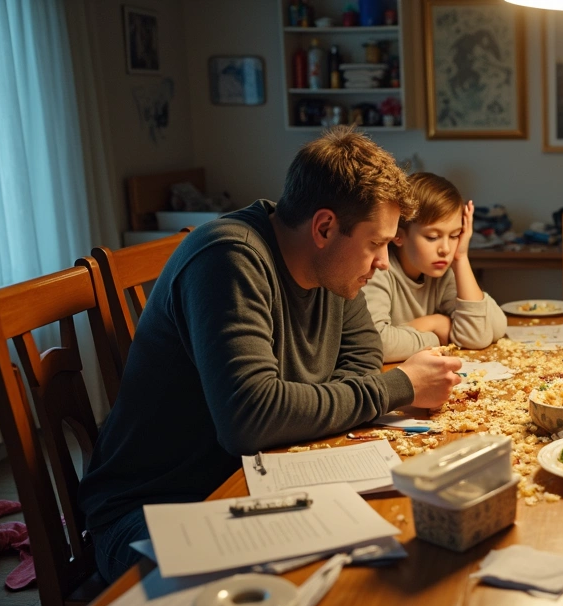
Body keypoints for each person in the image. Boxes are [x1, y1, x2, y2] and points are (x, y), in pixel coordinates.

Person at [80, 127, 463, 581]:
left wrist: (306, 403)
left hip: (254, 481)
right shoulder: (229, 258)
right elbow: (251, 418)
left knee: (388, 544)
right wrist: (400, 386)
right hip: (159, 508)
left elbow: (361, 362)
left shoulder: (335, 271)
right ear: (324, 227)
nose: (383, 261)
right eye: (376, 243)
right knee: (358, 576)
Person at [362, 172, 507, 362]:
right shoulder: (378, 270)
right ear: (398, 235)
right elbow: (377, 344)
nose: (445, 249)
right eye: (432, 237)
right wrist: (437, 336)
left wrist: (461, 259)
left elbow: (482, 334)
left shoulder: (443, 271)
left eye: (455, 235)